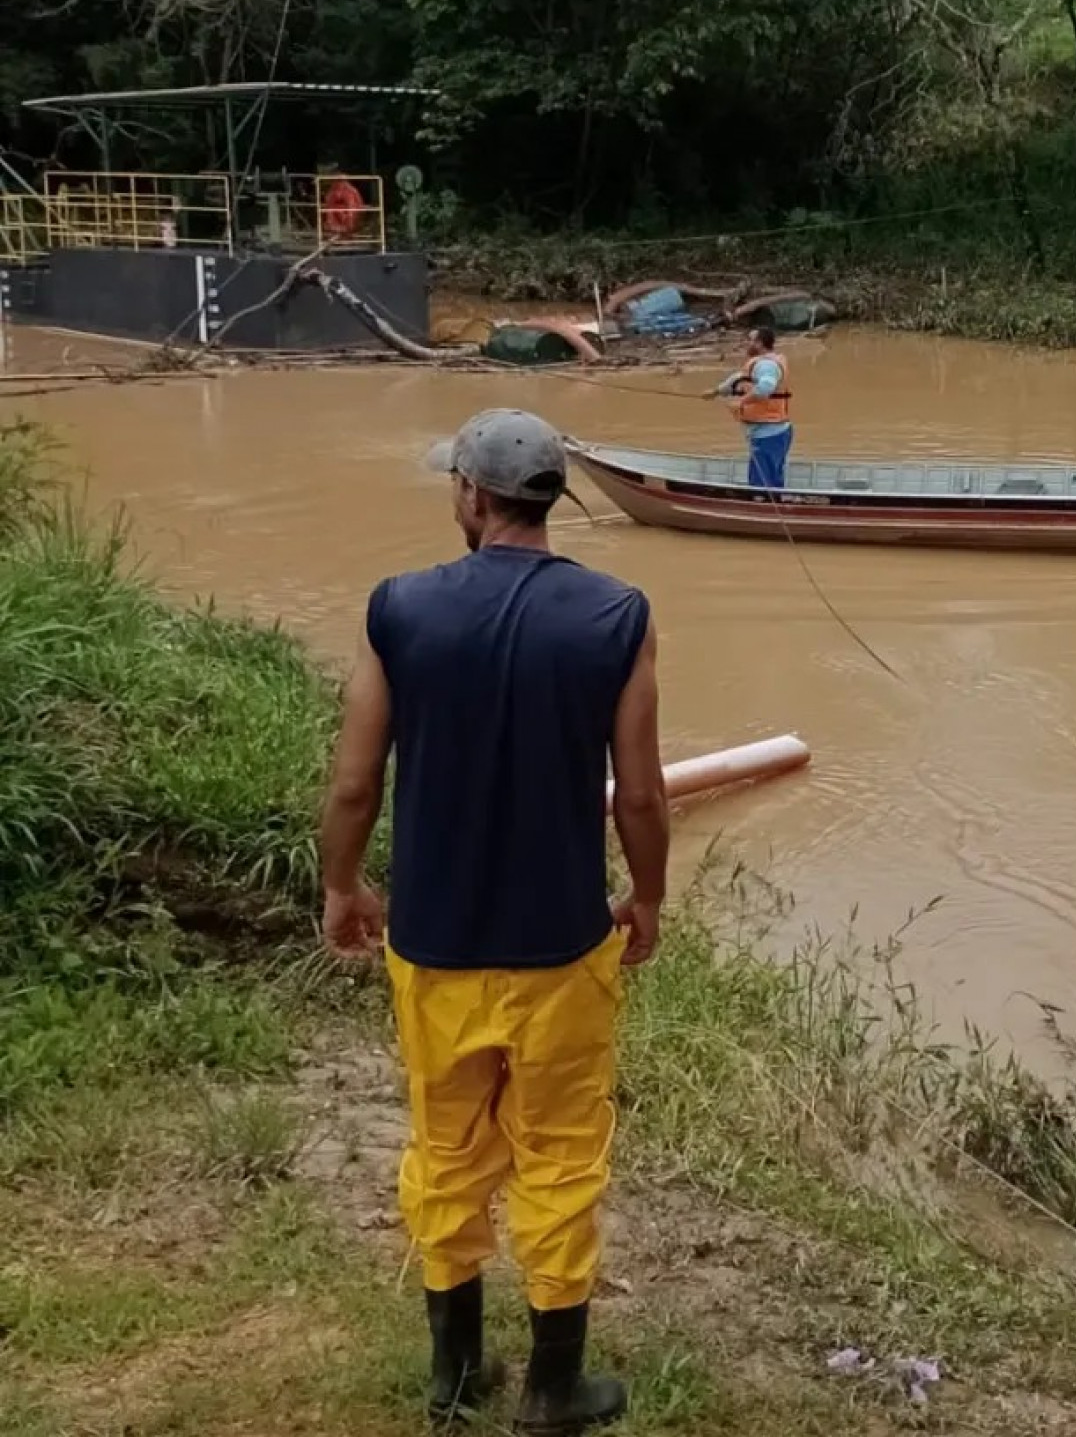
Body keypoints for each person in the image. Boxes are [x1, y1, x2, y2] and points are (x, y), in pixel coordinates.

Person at [318, 408, 668, 1433]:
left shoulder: (402, 611)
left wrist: (342, 885)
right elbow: (639, 796)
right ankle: (554, 1388)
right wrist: (645, 898)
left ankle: (454, 1376)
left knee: (446, 1148)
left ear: (472, 494)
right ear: (548, 496)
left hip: (433, 947)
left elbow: (352, 783)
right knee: (559, 1156)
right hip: (561, 948)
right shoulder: (617, 615)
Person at [707, 324, 793, 489]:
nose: (746, 343)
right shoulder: (760, 363)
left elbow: (765, 388)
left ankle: (765, 509)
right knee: (769, 478)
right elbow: (739, 379)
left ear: (759, 343)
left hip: (769, 433)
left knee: (762, 484)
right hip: (771, 432)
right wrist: (716, 392)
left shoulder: (766, 366)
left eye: (750, 340)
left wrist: (741, 402)